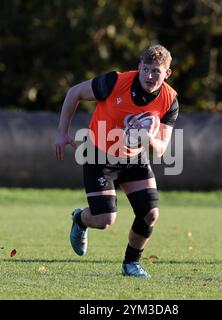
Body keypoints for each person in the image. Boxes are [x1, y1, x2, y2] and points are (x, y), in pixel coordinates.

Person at [55, 44, 179, 278]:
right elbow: (75, 93)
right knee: (104, 220)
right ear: (139, 68)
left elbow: (161, 149)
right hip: (99, 154)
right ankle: (80, 219)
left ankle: (131, 264)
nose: (150, 76)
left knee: (150, 213)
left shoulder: (169, 100)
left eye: (157, 71)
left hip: (134, 158)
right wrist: (62, 132)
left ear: (167, 73)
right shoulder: (115, 82)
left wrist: (147, 139)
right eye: (146, 69)